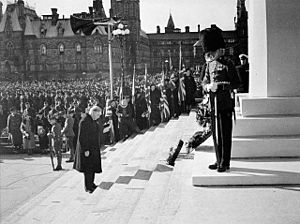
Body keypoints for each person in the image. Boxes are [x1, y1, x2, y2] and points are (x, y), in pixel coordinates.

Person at [200, 26, 241, 172]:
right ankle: (218, 159)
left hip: (224, 104)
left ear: (218, 49)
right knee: (216, 134)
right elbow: (203, 82)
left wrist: (220, 86)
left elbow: (237, 83)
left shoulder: (227, 63)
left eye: (212, 50)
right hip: (213, 104)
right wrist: (207, 87)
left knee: (225, 134)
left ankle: (225, 162)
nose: (211, 53)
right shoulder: (209, 65)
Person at [73, 106, 102, 193]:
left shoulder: (92, 120)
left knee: (92, 167)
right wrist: (85, 149)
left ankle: (91, 183)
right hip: (87, 149)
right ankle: (88, 186)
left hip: (93, 149)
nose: (98, 117)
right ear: (93, 112)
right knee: (88, 168)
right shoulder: (85, 121)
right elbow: (82, 137)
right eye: (97, 115)